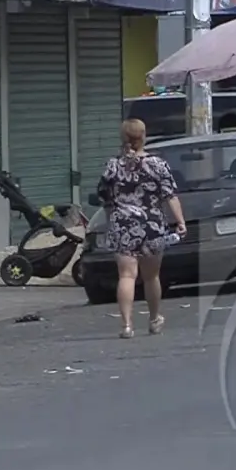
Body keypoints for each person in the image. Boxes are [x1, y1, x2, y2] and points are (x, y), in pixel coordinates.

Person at [97, 119, 187, 339]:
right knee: (151, 276)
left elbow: (103, 196)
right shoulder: (157, 164)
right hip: (152, 225)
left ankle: (126, 325)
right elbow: (170, 195)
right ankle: (154, 318)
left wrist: (113, 217)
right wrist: (180, 221)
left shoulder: (112, 166)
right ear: (144, 136)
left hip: (123, 225)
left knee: (126, 276)